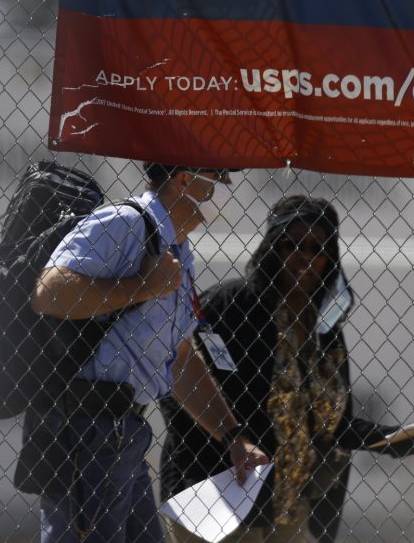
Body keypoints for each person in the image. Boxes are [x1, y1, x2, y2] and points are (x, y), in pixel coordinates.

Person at [159, 195, 414, 543]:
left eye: (317, 249)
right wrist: (229, 441)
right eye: (292, 245)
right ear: (272, 247)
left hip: (287, 503)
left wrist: (395, 440)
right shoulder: (229, 306)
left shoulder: (324, 329)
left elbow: (330, 422)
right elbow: (176, 383)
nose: (304, 257)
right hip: (217, 500)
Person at [24, 163, 269, 543]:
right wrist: (142, 286)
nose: (226, 190)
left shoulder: (177, 249)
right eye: (219, 179)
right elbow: (49, 292)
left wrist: (233, 435)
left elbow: (181, 359)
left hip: (125, 433)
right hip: (89, 428)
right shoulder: (126, 221)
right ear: (184, 180)